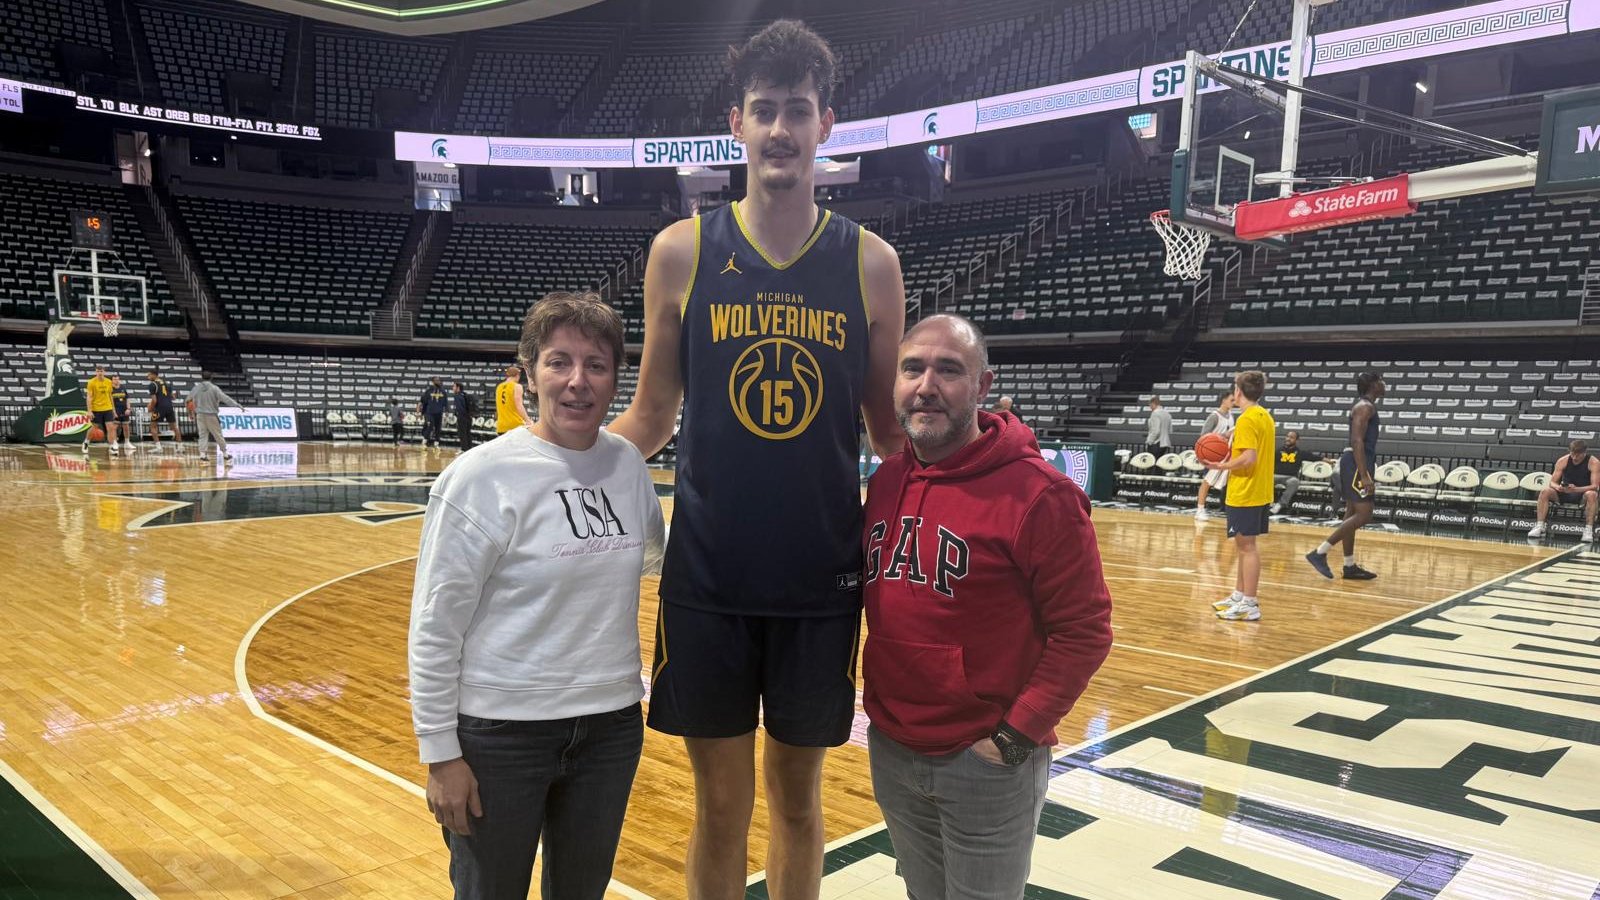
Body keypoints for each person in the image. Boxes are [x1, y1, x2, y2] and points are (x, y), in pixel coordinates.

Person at [607, 20, 906, 899]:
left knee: (802, 804)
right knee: (721, 809)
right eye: (765, 111)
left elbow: (889, 435)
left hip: (821, 583)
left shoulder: (871, 264)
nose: (782, 130)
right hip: (707, 578)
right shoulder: (682, 250)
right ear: (736, 123)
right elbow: (653, 415)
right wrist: (541, 457)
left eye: (798, 112)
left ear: (826, 125)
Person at [410, 291, 664, 900]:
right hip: (501, 736)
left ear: (614, 380)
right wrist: (441, 754)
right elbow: (435, 625)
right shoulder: (481, 476)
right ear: (529, 373)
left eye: (596, 365)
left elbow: (659, 557)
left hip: (610, 729)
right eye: (559, 362)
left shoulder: (627, 464)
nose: (577, 382)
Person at [863, 314, 1112, 897]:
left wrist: (1014, 737)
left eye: (949, 370)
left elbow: (1086, 630)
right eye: (912, 369)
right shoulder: (886, 481)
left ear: (982, 385)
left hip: (986, 760)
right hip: (893, 748)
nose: (926, 386)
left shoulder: (1040, 493)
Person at [1204, 370, 1275, 621]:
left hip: (1246, 490)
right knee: (1242, 546)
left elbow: (1249, 458)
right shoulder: (1262, 415)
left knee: (1247, 548)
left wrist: (1220, 466)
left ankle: (1250, 603)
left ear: (1238, 391)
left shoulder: (1246, 419)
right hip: (1259, 489)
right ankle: (1239, 595)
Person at [1305, 373, 1384, 580]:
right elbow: (1357, 441)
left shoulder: (1366, 406)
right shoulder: (1364, 407)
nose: (1384, 384)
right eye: (1381, 380)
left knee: (1351, 513)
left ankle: (1349, 566)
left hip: (1359, 461)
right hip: (1358, 462)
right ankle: (1320, 552)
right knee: (1364, 514)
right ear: (1373, 385)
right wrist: (1365, 474)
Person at [1528, 439, 1599, 542]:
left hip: (1582, 494)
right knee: (1545, 491)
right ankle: (1540, 526)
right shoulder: (1563, 460)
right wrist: (1558, 487)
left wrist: (1576, 489)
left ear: (1584, 452)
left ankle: (1588, 530)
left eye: (1578, 455)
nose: (1574, 457)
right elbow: (1552, 482)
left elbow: (1595, 486)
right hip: (1564, 493)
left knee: (1592, 494)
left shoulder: (1594, 462)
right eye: (1572, 454)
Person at [186, 371, 242, 465]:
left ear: (202, 377)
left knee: (202, 435)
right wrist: (237, 405)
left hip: (199, 415)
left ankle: (203, 456)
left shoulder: (196, 388)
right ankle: (225, 455)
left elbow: (187, 400)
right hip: (211, 415)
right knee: (218, 435)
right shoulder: (214, 388)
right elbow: (225, 398)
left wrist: (190, 413)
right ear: (211, 378)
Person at [1194, 392, 1235, 521]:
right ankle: (1200, 510)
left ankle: (1227, 508)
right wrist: (1224, 435)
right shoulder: (1214, 416)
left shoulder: (1231, 416)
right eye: (1231, 400)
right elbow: (1203, 436)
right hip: (1212, 454)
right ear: (1223, 400)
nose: (1233, 402)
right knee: (1207, 483)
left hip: (1225, 455)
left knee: (1228, 483)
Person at [1271, 430, 1319, 515]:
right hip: (1275, 476)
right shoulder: (1277, 451)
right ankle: (1267, 503)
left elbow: (1314, 457)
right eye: (1287, 436)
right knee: (1265, 479)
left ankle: (1280, 504)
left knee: (1295, 482)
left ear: (1297, 440)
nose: (1288, 439)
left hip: (1290, 478)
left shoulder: (1300, 453)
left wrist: (1327, 460)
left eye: (1291, 437)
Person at [83, 364, 116, 455]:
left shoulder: (109, 382)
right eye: (98, 371)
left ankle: (111, 446)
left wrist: (113, 409)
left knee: (110, 428)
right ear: (95, 372)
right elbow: (89, 397)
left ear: (104, 372)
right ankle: (86, 442)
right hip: (96, 408)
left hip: (107, 408)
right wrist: (89, 411)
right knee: (94, 428)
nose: (100, 373)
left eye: (101, 371)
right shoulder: (91, 382)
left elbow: (110, 396)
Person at [146, 370, 181, 449]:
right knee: (174, 427)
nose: (148, 377)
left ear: (153, 375)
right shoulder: (167, 384)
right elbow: (173, 397)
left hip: (159, 408)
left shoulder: (153, 384)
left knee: (153, 427)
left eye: (149, 375)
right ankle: (180, 447)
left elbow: (154, 400)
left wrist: (150, 407)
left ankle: (158, 448)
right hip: (169, 407)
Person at [495, 365, 531, 435]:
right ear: (518, 375)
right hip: (515, 426)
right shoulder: (517, 386)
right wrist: (528, 420)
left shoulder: (499, 387)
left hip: (501, 426)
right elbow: (519, 406)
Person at [110, 375, 136, 455]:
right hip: (115, 410)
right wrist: (113, 411)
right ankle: (114, 443)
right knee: (114, 427)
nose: (116, 381)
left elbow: (127, 399)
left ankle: (127, 443)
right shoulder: (110, 389)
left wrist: (128, 408)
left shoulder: (123, 388)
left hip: (124, 410)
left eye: (117, 379)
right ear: (111, 380)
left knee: (126, 427)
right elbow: (110, 402)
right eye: (114, 379)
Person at [419, 377, 449, 447]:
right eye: (436, 380)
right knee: (430, 426)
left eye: (439, 380)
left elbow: (446, 402)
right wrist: (422, 413)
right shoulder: (429, 391)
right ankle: (424, 441)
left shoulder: (443, 391)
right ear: (433, 382)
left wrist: (447, 411)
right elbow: (424, 402)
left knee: (438, 428)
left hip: (439, 413)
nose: (438, 382)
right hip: (430, 413)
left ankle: (436, 443)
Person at [452, 382, 477, 451]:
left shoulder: (457, 396)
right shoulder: (465, 395)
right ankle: (469, 449)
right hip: (469, 417)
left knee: (462, 434)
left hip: (462, 417)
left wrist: (459, 416)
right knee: (468, 433)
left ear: (458, 388)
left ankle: (464, 450)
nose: (453, 388)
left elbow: (460, 409)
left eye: (454, 387)